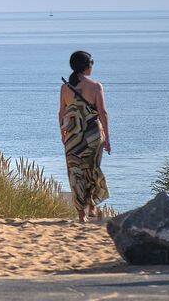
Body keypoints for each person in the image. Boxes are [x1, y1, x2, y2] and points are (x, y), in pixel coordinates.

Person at [59, 50, 110, 222]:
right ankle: (92, 205)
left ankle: (81, 214)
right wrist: (107, 137)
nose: (92, 67)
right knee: (92, 169)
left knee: (75, 173)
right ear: (86, 66)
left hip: (73, 136)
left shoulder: (65, 87)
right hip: (93, 135)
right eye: (91, 63)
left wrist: (62, 134)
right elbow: (103, 113)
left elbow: (61, 113)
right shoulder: (96, 86)